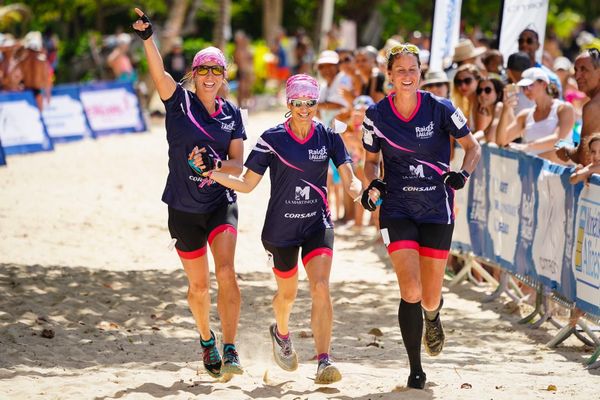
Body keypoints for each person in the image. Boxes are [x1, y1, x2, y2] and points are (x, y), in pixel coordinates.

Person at [191, 74, 363, 384]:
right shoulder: (272, 139)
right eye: (298, 102)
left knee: (320, 286)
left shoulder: (328, 137)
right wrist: (213, 172)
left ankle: (324, 360)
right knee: (287, 294)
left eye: (310, 103)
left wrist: (356, 186)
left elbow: (349, 176)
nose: (304, 109)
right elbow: (246, 183)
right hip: (279, 231)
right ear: (289, 103)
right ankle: (281, 333)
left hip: (316, 223)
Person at [132, 8, 246, 379]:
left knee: (226, 272)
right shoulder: (178, 102)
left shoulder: (231, 114)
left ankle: (230, 347)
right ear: (193, 74)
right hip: (183, 207)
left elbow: (238, 165)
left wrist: (215, 166)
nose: (210, 77)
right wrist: (149, 38)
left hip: (220, 203)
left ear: (224, 76)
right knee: (198, 286)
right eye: (203, 70)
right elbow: (159, 74)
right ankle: (206, 340)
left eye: (217, 70)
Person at [360, 43, 481, 389]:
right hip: (397, 209)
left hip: (436, 210)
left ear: (421, 73)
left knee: (429, 296)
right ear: (390, 76)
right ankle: (415, 368)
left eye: (413, 70)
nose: (408, 76)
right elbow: (369, 161)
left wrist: (463, 174)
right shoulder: (376, 115)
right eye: (401, 70)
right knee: (409, 288)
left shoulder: (441, 109)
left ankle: (433, 315)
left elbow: (473, 148)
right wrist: (374, 184)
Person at [496, 67, 575, 161]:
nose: (526, 91)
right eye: (523, 87)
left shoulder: (564, 108)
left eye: (530, 85)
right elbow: (501, 141)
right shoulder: (525, 115)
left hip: (557, 174)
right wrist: (506, 109)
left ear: (544, 84)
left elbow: (558, 139)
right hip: (532, 173)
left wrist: (527, 146)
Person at [557, 48, 600, 166]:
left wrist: (567, 151)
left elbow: (586, 157)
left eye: (584, 69)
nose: (577, 76)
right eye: (575, 70)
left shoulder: (593, 107)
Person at [517, 28, 562, 98]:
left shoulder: (549, 77)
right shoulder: (509, 73)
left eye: (529, 41)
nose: (524, 44)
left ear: (538, 45)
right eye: (521, 41)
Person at [472, 77, 504, 143]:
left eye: (487, 90)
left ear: (498, 94)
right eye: (479, 91)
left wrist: (471, 140)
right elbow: (485, 132)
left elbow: (489, 137)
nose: (482, 94)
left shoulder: (499, 106)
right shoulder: (494, 110)